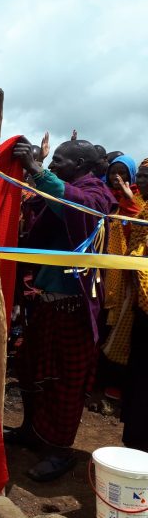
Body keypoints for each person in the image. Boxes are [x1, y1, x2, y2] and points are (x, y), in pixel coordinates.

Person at [5, 137, 116, 482]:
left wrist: (37, 170)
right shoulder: (61, 191)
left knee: (66, 381)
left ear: (80, 164)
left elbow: (80, 208)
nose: (53, 166)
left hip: (75, 309)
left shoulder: (97, 194)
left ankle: (60, 450)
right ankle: (31, 430)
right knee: (31, 369)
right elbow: (42, 218)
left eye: (59, 162)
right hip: (46, 304)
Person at [100, 155, 142, 396]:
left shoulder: (137, 199)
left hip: (126, 274)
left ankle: (114, 385)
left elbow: (138, 228)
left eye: (123, 173)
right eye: (113, 172)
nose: (117, 177)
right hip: (102, 268)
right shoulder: (105, 197)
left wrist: (129, 200)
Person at [121, 159, 148, 451]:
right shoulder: (144, 210)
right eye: (140, 175)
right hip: (141, 305)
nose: (141, 180)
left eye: (146, 176)